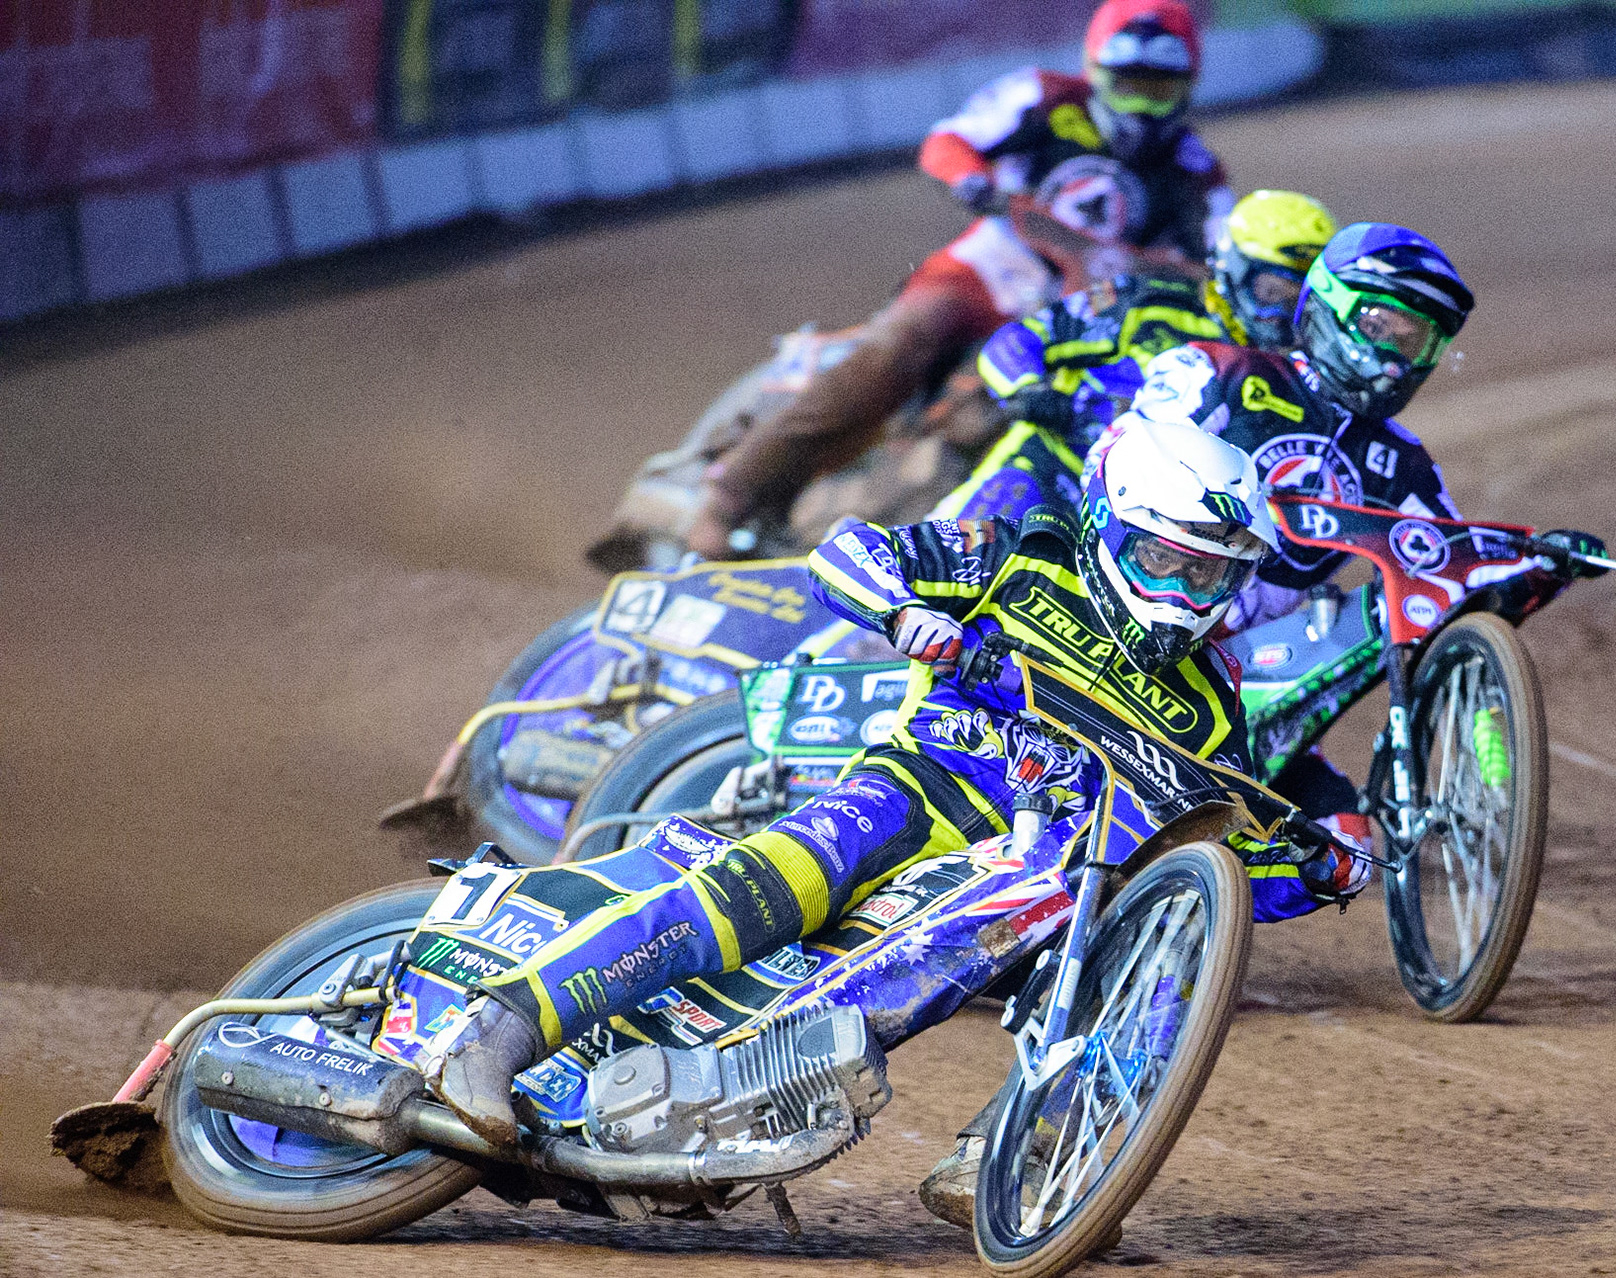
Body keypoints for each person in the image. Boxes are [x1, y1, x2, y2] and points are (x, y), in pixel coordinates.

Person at [420, 423, 1365, 1151]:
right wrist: (906, 612)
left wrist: (1314, 874)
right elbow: (849, 553)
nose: (1189, 588)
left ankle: (1022, 1156)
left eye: (1211, 572)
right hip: (914, 789)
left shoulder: (1209, 704)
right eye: (1170, 557)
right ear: (1117, 527)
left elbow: (1211, 857)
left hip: (1030, 878)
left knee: (1105, 976)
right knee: (770, 885)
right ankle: (495, 1035)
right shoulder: (1023, 557)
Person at [1103, 221, 1607, 867]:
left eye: (1416, 338)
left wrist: (1534, 568)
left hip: (1254, 672)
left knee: (1343, 847)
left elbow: (1447, 569)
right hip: (1136, 622)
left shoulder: (1402, 462)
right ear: (1328, 305)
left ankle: (1181, 931)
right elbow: (1118, 462)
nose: (1397, 355)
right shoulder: (1215, 369)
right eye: (1380, 325)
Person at [683, 0, 1233, 560]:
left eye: (1158, 87)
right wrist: (972, 180)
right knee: (899, 345)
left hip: (1080, 319)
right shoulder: (1044, 96)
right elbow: (947, 141)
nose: (1142, 103)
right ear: (1094, 71)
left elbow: (1221, 264)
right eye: (1128, 83)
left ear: (1187, 85)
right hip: (989, 270)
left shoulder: (1196, 170)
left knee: (1063, 419)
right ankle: (729, 497)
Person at [942, 189, 1337, 524]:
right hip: (1048, 471)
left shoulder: (1300, 381)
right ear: (1233, 269)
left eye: (1301, 301)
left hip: (1151, 527)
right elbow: (1015, 342)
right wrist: (1032, 393)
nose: (1283, 316)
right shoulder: (1144, 305)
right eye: (1272, 293)